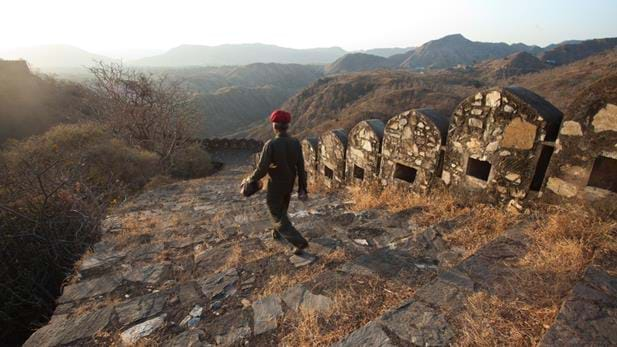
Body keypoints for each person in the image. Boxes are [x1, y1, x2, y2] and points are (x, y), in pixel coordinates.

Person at [247, 109, 310, 255]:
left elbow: (262, 169)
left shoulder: (271, 144)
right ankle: (277, 232)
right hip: (289, 183)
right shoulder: (295, 142)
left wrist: (251, 179)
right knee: (281, 211)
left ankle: (298, 241)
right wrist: (302, 187)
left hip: (275, 184)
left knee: (276, 212)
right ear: (287, 126)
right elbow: (301, 167)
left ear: (274, 126)